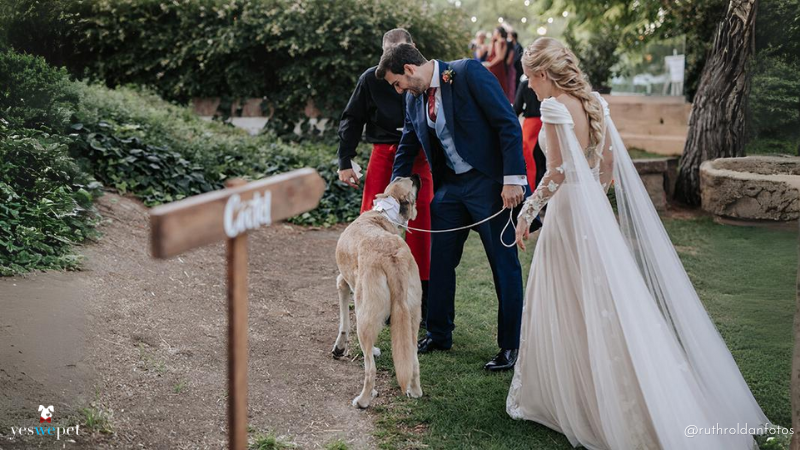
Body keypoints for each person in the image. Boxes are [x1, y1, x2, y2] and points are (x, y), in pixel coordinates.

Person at [508, 37, 770, 449]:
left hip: (568, 214)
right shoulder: (594, 102)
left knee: (567, 297)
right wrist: (592, 197)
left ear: (544, 75)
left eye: (530, 77)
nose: (528, 85)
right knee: (605, 299)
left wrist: (527, 212)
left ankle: (580, 397)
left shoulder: (554, 107)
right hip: (591, 209)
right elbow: (608, 163)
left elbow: (556, 171)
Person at [376, 43, 528, 371]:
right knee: (439, 261)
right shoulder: (412, 99)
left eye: (396, 82)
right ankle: (439, 332)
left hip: (489, 184)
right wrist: (393, 193)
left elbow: (507, 123)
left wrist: (513, 179)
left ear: (409, 69)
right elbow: (407, 147)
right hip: (450, 191)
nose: (398, 89)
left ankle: (511, 346)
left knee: (504, 265)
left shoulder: (467, 72)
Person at [336, 29, 434, 324]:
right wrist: (345, 160)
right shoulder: (371, 79)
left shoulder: (424, 77)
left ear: (411, 51)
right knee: (373, 226)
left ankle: (422, 299)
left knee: (422, 227)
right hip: (383, 151)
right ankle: (373, 295)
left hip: (419, 156)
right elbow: (352, 118)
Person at [513, 77, 544, 189]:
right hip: (546, 122)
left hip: (530, 126)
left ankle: (531, 191)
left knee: (530, 161)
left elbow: (516, 108)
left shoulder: (525, 84)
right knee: (544, 161)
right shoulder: (549, 82)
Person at [485, 27, 509, 98]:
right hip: (500, 67)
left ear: (498, 33)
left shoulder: (498, 42)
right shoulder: (504, 42)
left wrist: (490, 65)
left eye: (494, 32)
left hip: (494, 66)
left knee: (493, 86)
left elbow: (499, 57)